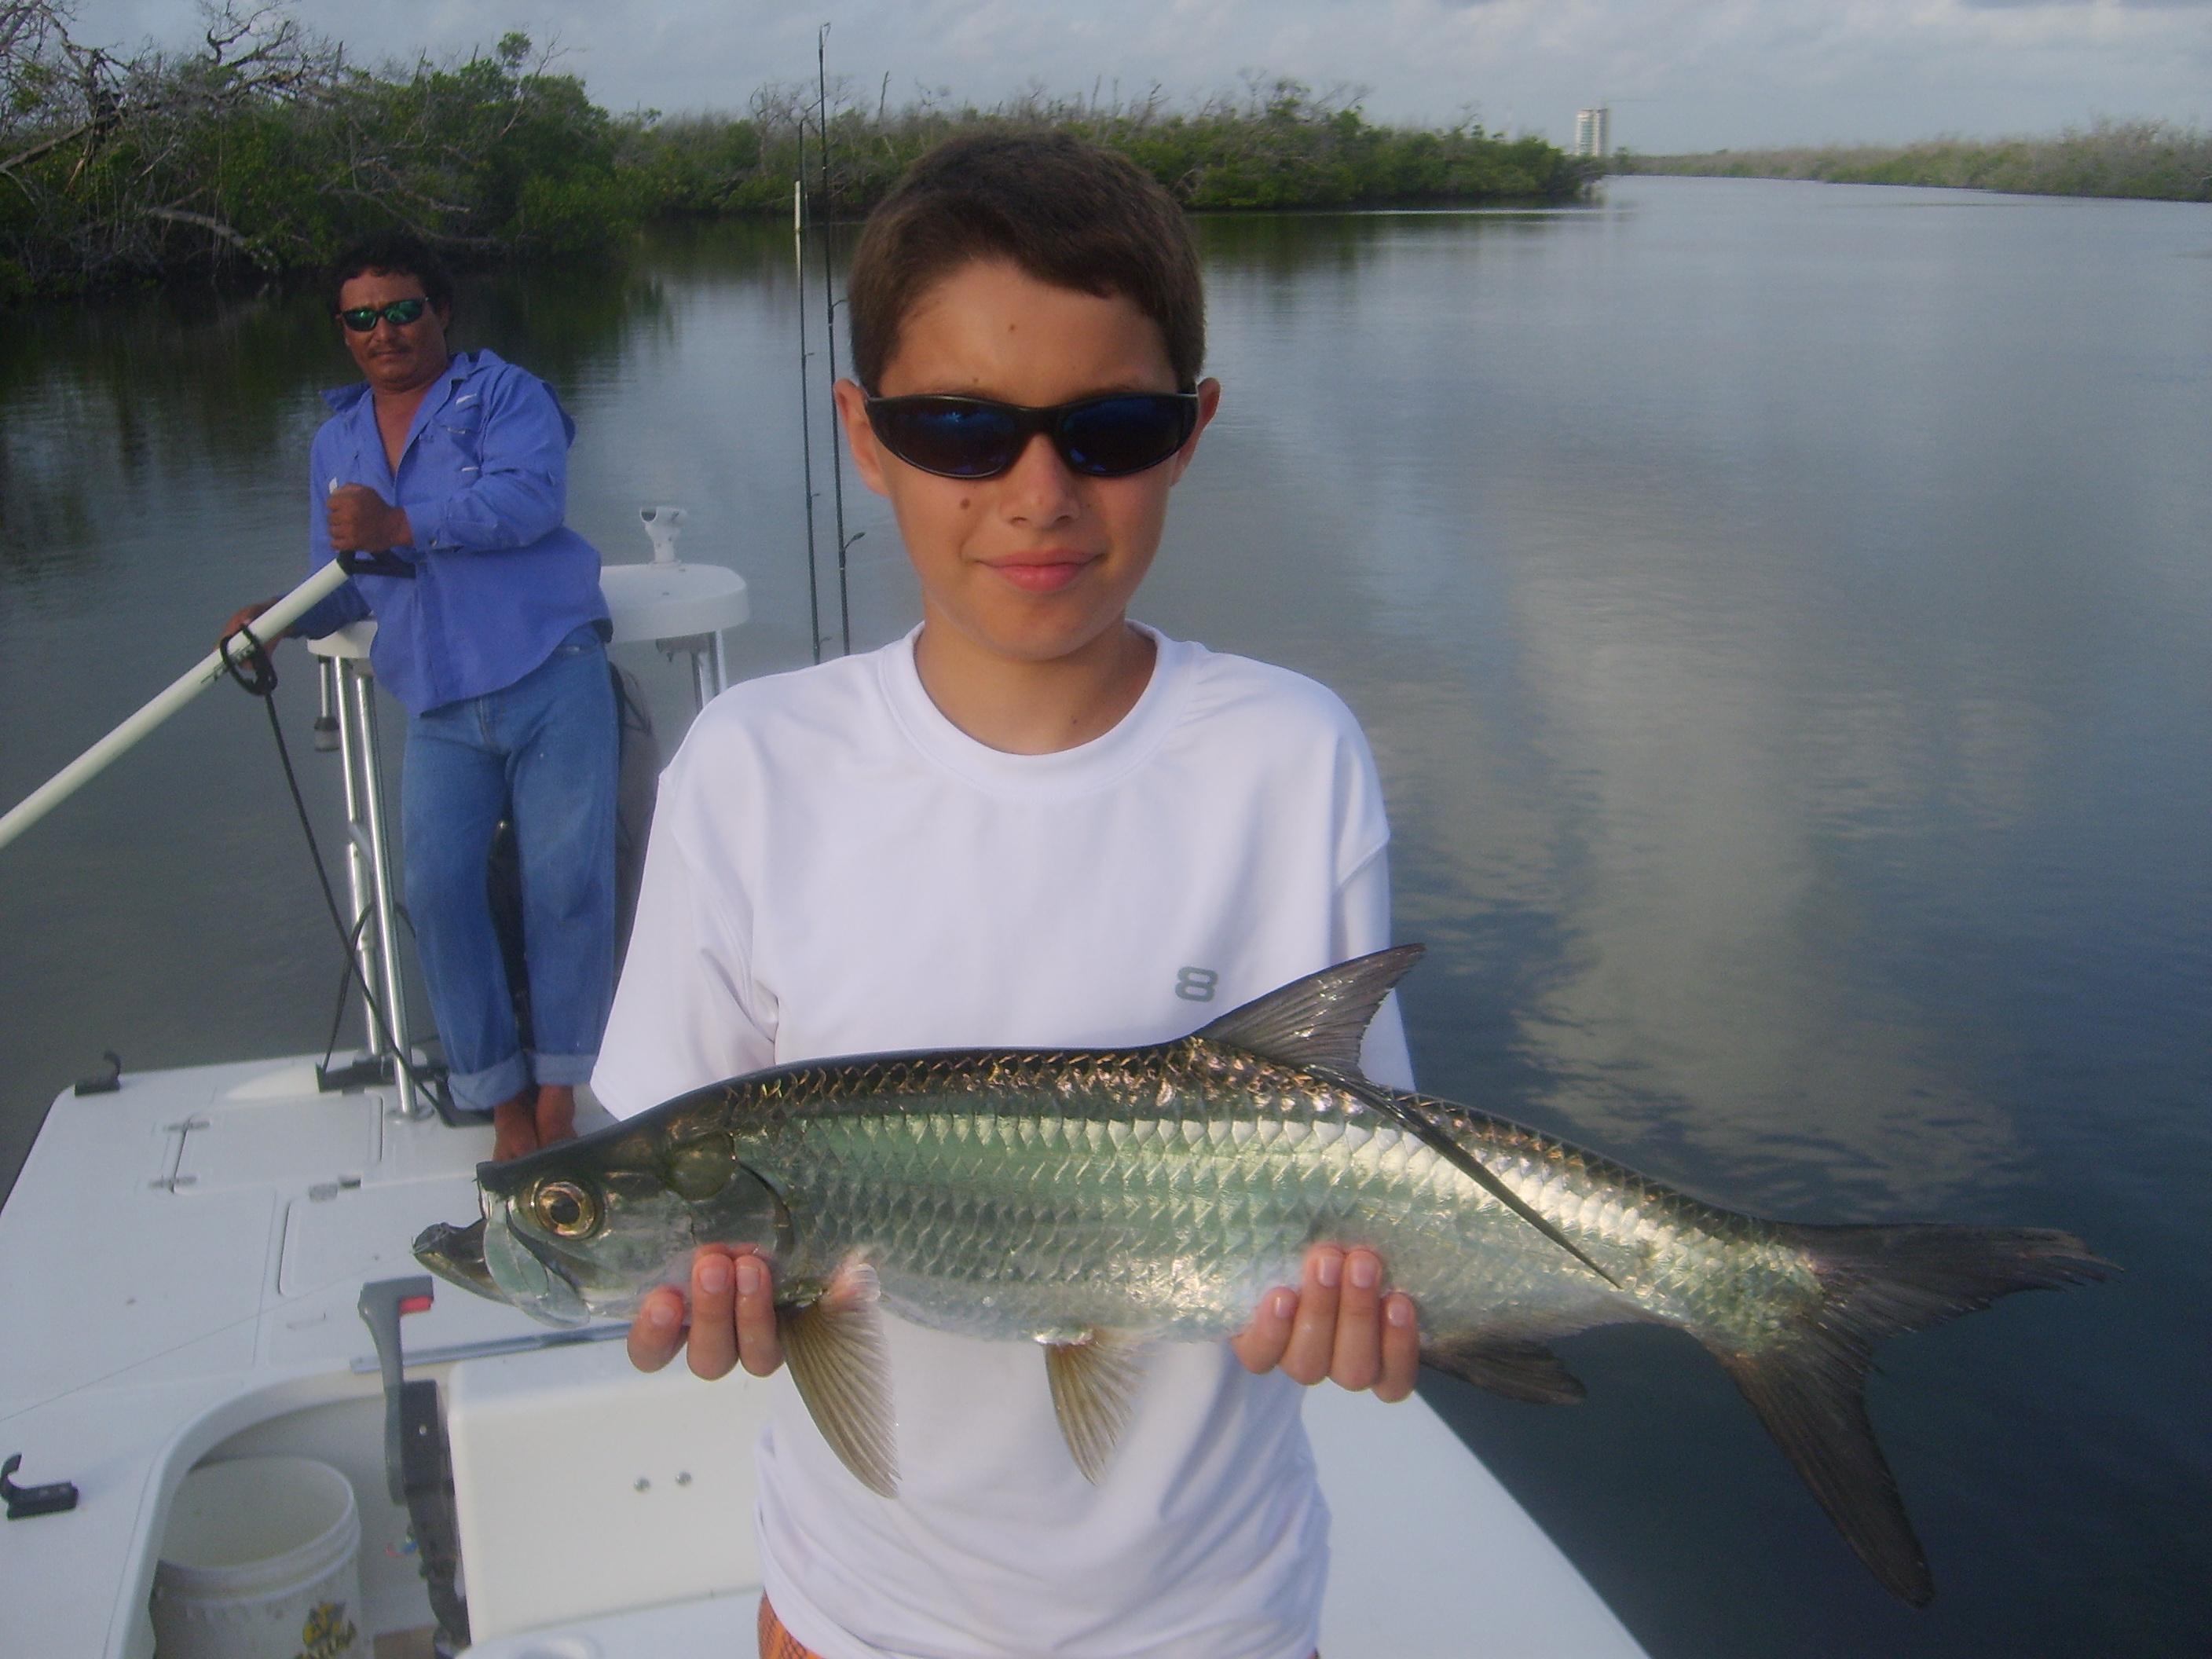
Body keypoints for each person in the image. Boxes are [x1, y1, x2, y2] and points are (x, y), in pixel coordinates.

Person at [595, 133, 1422, 1659]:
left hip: (1214, 1619)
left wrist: (1358, 1296)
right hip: (852, 1617)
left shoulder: (1290, 757)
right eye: (961, 429)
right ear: (863, 430)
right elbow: (685, 1165)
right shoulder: (749, 765)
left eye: (1108, 426)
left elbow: (1352, 1171)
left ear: (1191, 430)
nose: (1037, 493)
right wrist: (715, 1292)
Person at [225, 231, 616, 1162]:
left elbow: (530, 503)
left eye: (402, 310)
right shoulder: (337, 438)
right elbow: (349, 579)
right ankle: (496, 1093)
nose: (384, 332)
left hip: (549, 670)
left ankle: (559, 1091)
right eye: (361, 318)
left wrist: (401, 520)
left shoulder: (508, 395)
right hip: (438, 701)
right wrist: (280, 618)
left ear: (440, 310)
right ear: (342, 333)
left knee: (565, 886)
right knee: (436, 891)